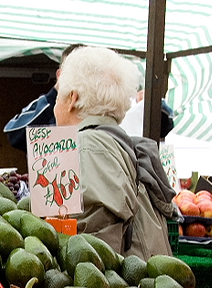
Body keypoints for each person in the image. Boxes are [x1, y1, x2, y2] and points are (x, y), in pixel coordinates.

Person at [53, 45, 176, 259]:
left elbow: (93, 253)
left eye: (57, 96)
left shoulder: (88, 146)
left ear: (72, 98)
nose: (55, 106)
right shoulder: (115, 144)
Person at [3, 44, 84, 153]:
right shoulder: (45, 104)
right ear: (60, 75)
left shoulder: (96, 106)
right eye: (73, 72)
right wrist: (54, 97)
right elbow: (13, 133)